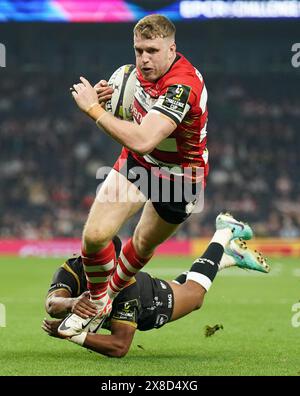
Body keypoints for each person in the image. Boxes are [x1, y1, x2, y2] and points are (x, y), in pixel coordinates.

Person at [58, 14, 234, 336]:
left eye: (152, 50)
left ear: (172, 49)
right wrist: (108, 102)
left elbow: (144, 137)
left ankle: (106, 298)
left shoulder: (183, 85)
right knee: (95, 236)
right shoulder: (132, 75)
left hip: (180, 178)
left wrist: (92, 111)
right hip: (140, 162)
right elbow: (133, 118)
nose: (144, 59)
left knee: (139, 243)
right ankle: (98, 304)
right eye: (139, 50)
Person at [44, 214, 269, 357]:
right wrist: (72, 302)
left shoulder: (124, 286)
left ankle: (223, 231)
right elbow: (52, 303)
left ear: (114, 262)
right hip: (145, 286)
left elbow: (119, 346)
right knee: (185, 286)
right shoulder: (71, 269)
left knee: (194, 295)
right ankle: (230, 257)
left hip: (153, 303)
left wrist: (71, 335)